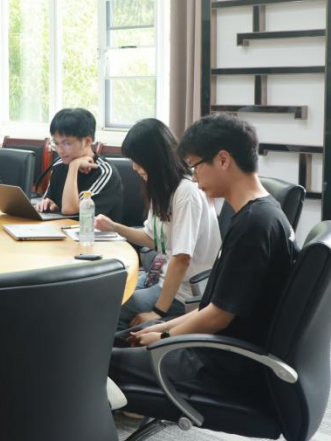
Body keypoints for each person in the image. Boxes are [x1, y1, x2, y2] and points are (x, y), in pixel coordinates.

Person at [109, 114, 298, 402]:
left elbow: (217, 318)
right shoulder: (260, 213)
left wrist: (163, 339)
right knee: (120, 340)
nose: (195, 178)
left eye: (196, 166)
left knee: (98, 359)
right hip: (216, 347)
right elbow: (215, 307)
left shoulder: (254, 226)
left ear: (222, 160)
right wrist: (162, 327)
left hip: (217, 364)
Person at [94, 119, 221, 329]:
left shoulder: (186, 192)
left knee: (105, 305)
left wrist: (157, 312)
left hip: (184, 293)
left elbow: (181, 259)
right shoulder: (163, 188)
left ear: (154, 159)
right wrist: (114, 227)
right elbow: (152, 238)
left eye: (137, 161)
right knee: (104, 293)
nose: (134, 167)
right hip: (162, 279)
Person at [35, 108, 123, 219]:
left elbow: (70, 210)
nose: (60, 150)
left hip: (93, 230)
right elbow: (50, 201)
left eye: (67, 143)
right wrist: (48, 205)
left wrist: (73, 167)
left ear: (87, 141)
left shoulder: (104, 172)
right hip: (63, 227)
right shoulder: (59, 165)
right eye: (56, 143)